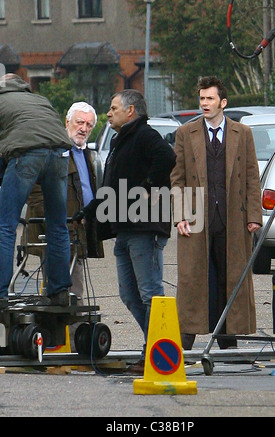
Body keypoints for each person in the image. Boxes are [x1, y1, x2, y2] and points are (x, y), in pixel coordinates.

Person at [73, 89, 176, 373]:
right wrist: (90, 210)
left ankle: (159, 354)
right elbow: (113, 187)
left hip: (145, 228)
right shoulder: (122, 141)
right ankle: (154, 346)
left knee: (149, 292)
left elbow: (167, 158)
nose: (109, 112)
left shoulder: (145, 135)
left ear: (131, 111)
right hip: (125, 229)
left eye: (113, 107)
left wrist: (147, 187)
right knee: (129, 294)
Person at [170, 76, 262, 350]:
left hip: (233, 219)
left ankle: (227, 338)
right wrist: (181, 215)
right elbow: (177, 178)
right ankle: (186, 337)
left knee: (230, 276)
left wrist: (254, 215)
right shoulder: (186, 134)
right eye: (201, 99)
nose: (204, 104)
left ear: (223, 102)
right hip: (198, 219)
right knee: (194, 277)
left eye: (210, 99)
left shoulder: (242, 134)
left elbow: (251, 177)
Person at [0, 73, 72, 308]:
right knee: (58, 225)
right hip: (60, 153)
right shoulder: (40, 100)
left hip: (27, 153)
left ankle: (0, 293)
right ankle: (59, 290)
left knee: (5, 226)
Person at [24, 101, 104, 304]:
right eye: (79, 122)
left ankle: (69, 334)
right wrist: (56, 223)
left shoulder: (86, 153)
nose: (83, 129)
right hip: (58, 234)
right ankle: (68, 335)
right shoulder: (50, 149)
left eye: (88, 125)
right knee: (67, 295)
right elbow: (34, 193)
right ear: (67, 121)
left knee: (72, 292)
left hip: (78, 233)